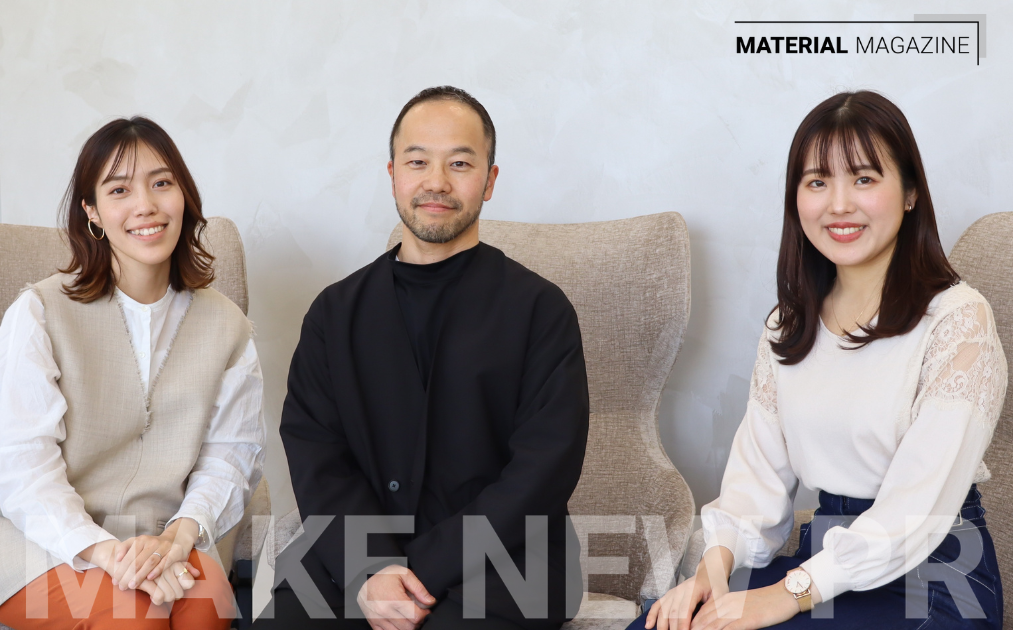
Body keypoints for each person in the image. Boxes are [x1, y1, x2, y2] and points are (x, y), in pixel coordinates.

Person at [633, 91, 1006, 630]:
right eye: (817, 182)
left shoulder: (958, 320)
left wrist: (786, 594)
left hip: (936, 580)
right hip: (826, 563)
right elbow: (756, 480)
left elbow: (914, 512)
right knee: (662, 624)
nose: (839, 205)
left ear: (910, 193)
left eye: (864, 178)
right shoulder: (788, 325)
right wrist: (711, 572)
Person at [256, 86, 589, 630]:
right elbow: (317, 454)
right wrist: (372, 568)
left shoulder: (540, 310)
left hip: (508, 560)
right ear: (393, 174)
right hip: (356, 555)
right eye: (417, 162)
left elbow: (544, 468)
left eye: (460, 163)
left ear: (490, 180)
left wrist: (423, 569)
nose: (437, 182)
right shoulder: (334, 313)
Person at [0, 117, 266, 629]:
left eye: (161, 183)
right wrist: (107, 554)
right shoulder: (39, 313)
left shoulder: (228, 326)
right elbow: (22, 469)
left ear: (183, 196)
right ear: (92, 211)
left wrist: (178, 538)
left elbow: (231, 457)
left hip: (162, 538)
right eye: (119, 189)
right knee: (134, 615)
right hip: (40, 539)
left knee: (207, 600)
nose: (145, 205)